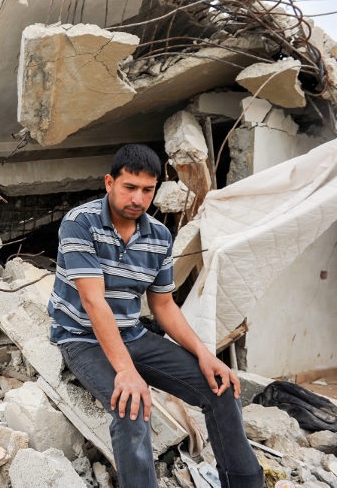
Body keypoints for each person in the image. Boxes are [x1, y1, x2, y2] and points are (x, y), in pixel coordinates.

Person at [48, 144, 263, 487]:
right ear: (109, 183)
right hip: (83, 338)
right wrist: (127, 372)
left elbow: (163, 306)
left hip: (132, 334)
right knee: (131, 407)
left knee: (221, 388)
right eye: (129, 187)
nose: (138, 198)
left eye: (147, 190)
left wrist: (206, 355)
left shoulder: (160, 237)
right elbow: (93, 302)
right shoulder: (80, 223)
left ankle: (245, 483)